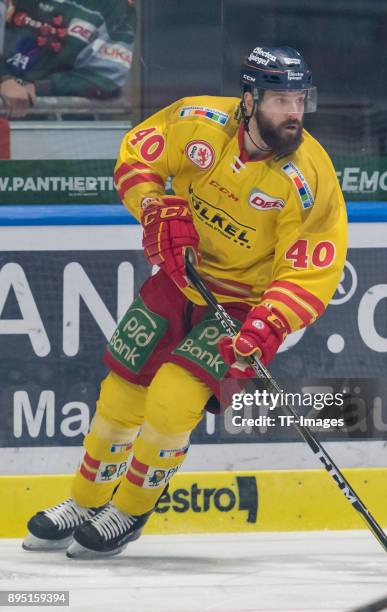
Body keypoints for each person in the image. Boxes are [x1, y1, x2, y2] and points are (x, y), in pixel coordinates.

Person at [22, 45, 348, 558]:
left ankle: (128, 512)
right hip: (179, 281)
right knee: (120, 397)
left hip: (243, 305)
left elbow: (311, 264)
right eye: (281, 99)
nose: (294, 113)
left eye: (300, 99)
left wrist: (271, 323)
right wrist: (153, 208)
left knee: (173, 401)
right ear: (248, 99)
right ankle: (83, 503)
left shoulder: (309, 177)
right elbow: (137, 158)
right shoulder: (198, 121)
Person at [0, 0, 136, 118]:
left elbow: (106, 78)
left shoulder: (115, 5)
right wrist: (4, 79)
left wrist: (40, 88)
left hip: (58, 126)